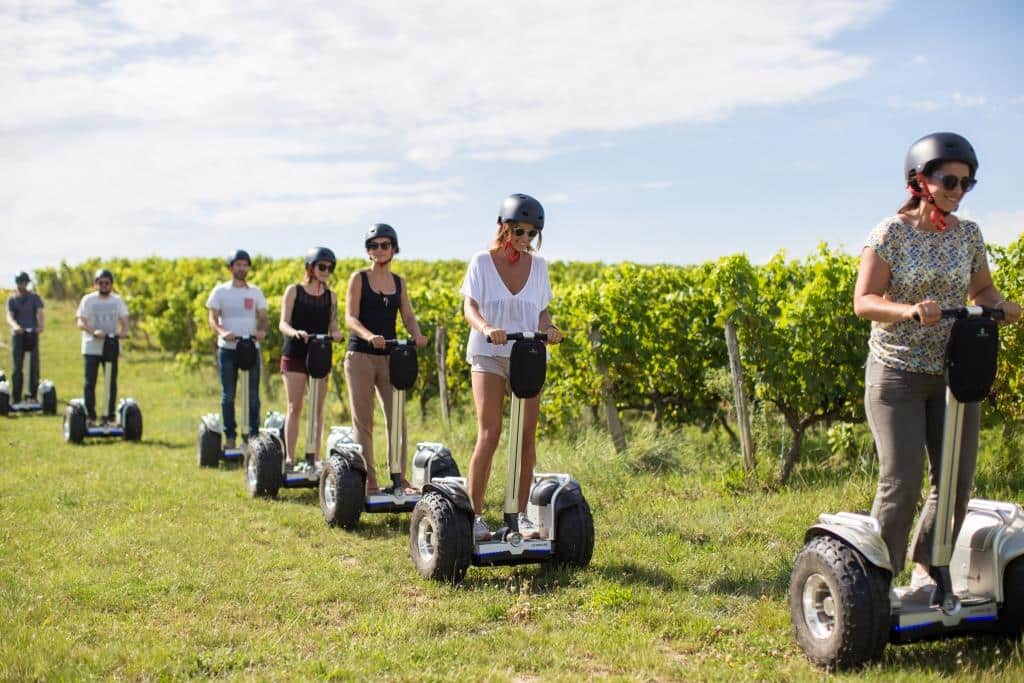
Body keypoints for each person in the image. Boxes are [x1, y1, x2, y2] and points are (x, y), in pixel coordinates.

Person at [853, 132, 1021, 595]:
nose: (957, 190)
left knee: (955, 482)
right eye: (949, 179)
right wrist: (908, 310)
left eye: (966, 183)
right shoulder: (890, 234)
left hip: (952, 373)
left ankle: (929, 568)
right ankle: (876, 583)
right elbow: (864, 301)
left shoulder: (968, 234)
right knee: (901, 481)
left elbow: (980, 292)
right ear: (919, 180)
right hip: (896, 373)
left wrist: (1000, 305)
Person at [460, 194, 564, 541]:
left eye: (532, 233)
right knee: (490, 433)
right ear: (503, 226)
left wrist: (550, 328)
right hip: (489, 353)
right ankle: (473, 517)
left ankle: (518, 517)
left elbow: (540, 311)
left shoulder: (540, 265)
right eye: (519, 230)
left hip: (527, 353)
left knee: (525, 437)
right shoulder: (482, 261)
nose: (525, 238)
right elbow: (469, 308)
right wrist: (486, 327)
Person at [344, 224, 429, 494]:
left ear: (394, 248)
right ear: (368, 251)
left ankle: (399, 477)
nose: (379, 250)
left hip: (390, 356)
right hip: (360, 355)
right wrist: (369, 336)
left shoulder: (398, 282)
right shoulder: (359, 278)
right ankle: (368, 480)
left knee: (397, 419)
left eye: (384, 245)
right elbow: (350, 318)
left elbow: (408, 315)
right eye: (374, 246)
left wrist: (416, 334)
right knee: (364, 420)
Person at [278, 247, 343, 470]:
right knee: (295, 406)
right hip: (295, 353)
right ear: (310, 268)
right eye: (322, 267)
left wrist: (336, 334)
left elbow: (333, 326)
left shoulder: (331, 297)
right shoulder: (294, 291)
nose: (326, 271)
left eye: (329, 268)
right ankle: (289, 457)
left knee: (317, 408)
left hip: (319, 354)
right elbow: (283, 323)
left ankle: (313, 457)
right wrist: (295, 332)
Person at [206, 250, 269, 449]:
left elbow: (264, 318)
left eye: (245, 265)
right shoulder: (220, 292)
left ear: (248, 267)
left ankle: (252, 437)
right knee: (229, 395)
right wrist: (222, 332)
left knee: (252, 396)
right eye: (238, 265)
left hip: (250, 347)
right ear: (230, 267)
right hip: (228, 349)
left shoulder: (255, 292)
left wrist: (262, 331)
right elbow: (212, 318)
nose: (242, 268)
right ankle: (230, 437)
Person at [76, 268, 131, 425]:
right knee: (90, 382)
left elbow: (125, 319)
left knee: (110, 382)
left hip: (111, 345)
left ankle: (109, 415)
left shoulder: (117, 301)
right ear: (95, 284)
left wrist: (124, 331)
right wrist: (94, 332)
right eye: (101, 283)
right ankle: (90, 416)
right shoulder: (88, 300)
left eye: (107, 283)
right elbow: (81, 322)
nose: (104, 286)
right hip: (91, 347)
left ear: (112, 285)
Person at [5, 272, 45, 403]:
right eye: (21, 282)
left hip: (32, 334)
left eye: (25, 282)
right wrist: (15, 326)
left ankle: (32, 395)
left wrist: (40, 326)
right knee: (17, 367)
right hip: (18, 335)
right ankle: (16, 397)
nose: (23, 284)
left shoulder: (34, 297)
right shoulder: (12, 299)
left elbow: (39, 312)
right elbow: (9, 316)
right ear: (17, 283)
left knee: (33, 365)